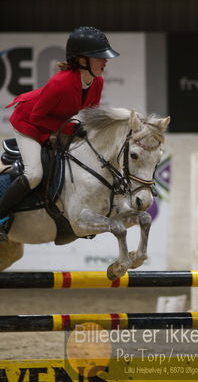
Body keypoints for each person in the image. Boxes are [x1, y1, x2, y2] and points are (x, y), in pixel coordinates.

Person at [0, 26, 120, 241]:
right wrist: (70, 129)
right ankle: (1, 218)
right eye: (99, 57)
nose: (105, 61)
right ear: (82, 60)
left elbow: (88, 115)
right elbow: (37, 118)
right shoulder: (60, 82)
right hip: (28, 123)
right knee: (34, 174)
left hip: (55, 125)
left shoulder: (97, 81)